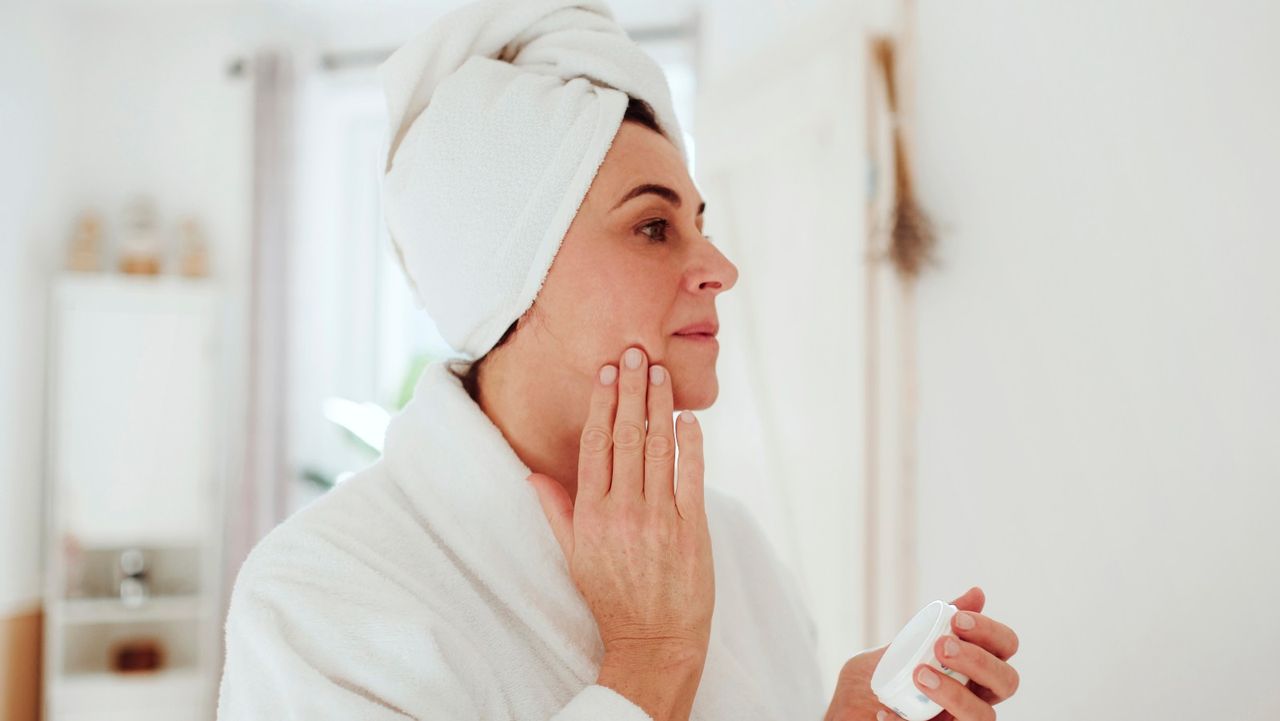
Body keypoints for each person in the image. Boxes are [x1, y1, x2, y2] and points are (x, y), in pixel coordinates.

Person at [216, 1, 1021, 719]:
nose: (720, 267)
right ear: (514, 280)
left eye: (698, 221)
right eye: (652, 226)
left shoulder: (732, 546)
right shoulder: (318, 597)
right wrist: (649, 663)